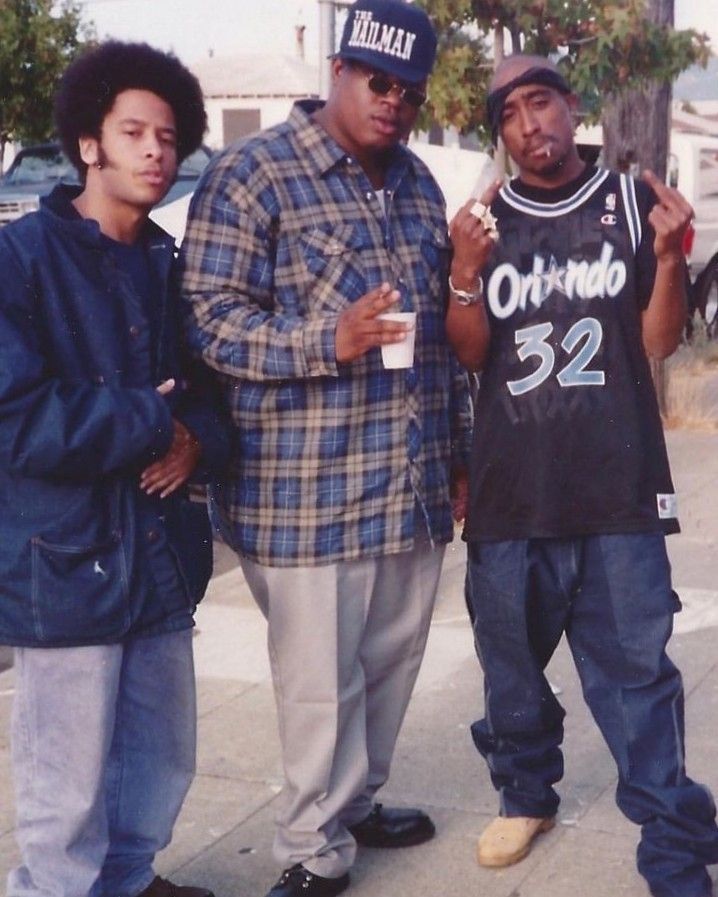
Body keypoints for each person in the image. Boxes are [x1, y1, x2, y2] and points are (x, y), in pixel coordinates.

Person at [180, 1, 472, 895]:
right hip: (302, 491)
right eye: (378, 81)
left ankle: (354, 801)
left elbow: (435, 340)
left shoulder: (420, 184)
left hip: (407, 479)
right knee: (318, 689)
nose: (394, 102)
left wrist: (458, 453)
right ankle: (312, 846)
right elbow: (208, 323)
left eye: (410, 92)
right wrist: (324, 340)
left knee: (389, 666)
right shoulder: (252, 175)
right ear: (338, 73)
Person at [446, 53, 718, 897]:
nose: (531, 124)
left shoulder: (633, 204)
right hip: (510, 489)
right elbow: (471, 354)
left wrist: (671, 259)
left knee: (637, 672)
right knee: (510, 666)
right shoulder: (484, 220)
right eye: (511, 115)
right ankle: (526, 794)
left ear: (574, 106)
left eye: (542, 102)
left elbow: (658, 342)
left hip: (619, 487)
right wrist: (461, 269)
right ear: (501, 133)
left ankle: (673, 832)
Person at [0, 41, 229, 897]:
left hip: (159, 558)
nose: (155, 152)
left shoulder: (170, 263)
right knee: (65, 784)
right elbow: (14, 412)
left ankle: (130, 881)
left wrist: (194, 438)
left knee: (159, 752)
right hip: (65, 565)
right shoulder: (22, 259)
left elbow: (209, 391)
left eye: (169, 137)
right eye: (133, 131)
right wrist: (148, 420)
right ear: (88, 142)